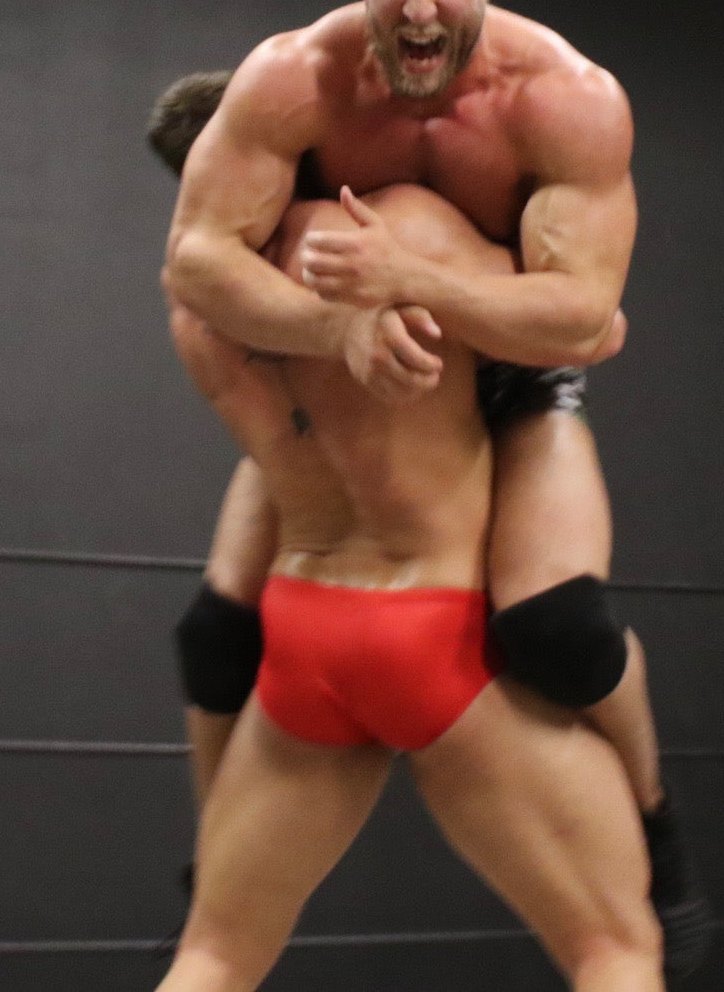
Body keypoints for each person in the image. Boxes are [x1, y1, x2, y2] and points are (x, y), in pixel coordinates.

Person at [157, 0, 709, 979]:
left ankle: (654, 811)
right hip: (378, 453)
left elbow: (577, 317)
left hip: (504, 384)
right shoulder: (292, 84)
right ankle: (215, 847)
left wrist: (416, 281)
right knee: (214, 636)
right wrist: (335, 331)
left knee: (559, 623)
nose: (418, 12)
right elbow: (195, 262)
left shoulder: (564, 97)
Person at [157, 183, 664, 992]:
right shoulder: (417, 233)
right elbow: (589, 323)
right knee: (618, 948)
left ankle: (205, 862)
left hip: (306, 625)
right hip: (432, 632)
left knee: (212, 955)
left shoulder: (208, 286)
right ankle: (656, 810)